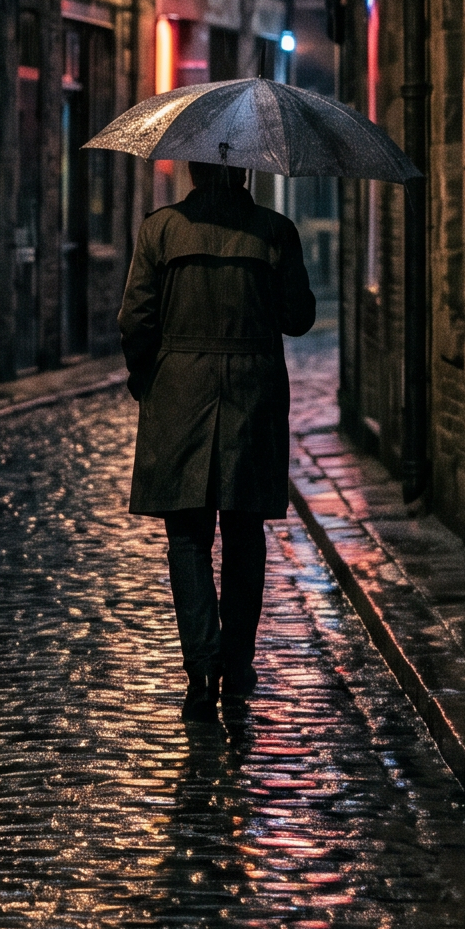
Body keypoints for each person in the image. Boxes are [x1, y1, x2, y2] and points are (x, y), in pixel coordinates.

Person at [117, 158, 317, 726]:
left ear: (193, 170)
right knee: (244, 535)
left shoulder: (160, 229)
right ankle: (237, 663)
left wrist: (146, 379)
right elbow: (299, 318)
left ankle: (202, 674)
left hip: (179, 390)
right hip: (251, 390)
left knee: (187, 536)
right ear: (246, 173)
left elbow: (135, 319)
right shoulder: (275, 231)